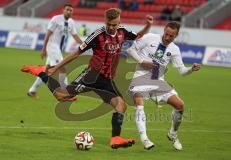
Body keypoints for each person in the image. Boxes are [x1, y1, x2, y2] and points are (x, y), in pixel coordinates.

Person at [20, 8, 153, 149]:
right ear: (105, 21)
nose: (111, 27)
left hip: (107, 79)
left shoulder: (123, 31)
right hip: (92, 76)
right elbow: (76, 53)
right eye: (109, 24)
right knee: (61, 96)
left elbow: (137, 35)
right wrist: (56, 67)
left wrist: (148, 26)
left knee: (121, 105)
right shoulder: (97, 35)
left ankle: (115, 138)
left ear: (119, 21)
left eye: (114, 24)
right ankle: (42, 72)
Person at [127, 21, 201, 150]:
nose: (167, 38)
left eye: (171, 36)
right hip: (140, 77)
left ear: (176, 36)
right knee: (139, 101)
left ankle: (173, 133)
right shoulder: (150, 37)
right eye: (166, 34)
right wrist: (142, 61)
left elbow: (182, 71)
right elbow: (130, 49)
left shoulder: (175, 49)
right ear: (164, 30)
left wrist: (191, 69)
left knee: (180, 105)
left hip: (157, 81)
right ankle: (144, 139)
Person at [27, 4, 83, 99]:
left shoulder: (71, 22)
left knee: (46, 70)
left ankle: (32, 90)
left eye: (71, 10)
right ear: (63, 10)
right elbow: (48, 33)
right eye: (67, 10)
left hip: (58, 49)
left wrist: (85, 45)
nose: (69, 11)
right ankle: (66, 93)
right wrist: (44, 48)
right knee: (62, 67)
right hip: (52, 46)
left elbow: (75, 36)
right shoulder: (56, 19)